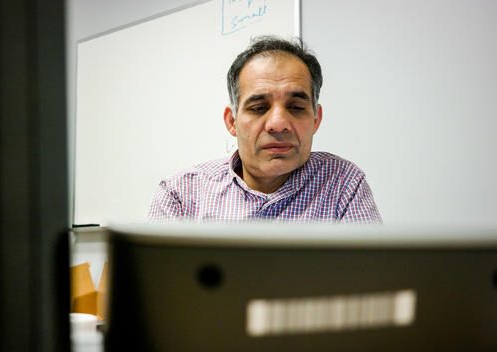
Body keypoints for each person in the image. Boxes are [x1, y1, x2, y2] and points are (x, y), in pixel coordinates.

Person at [148, 36, 381, 223]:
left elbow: (377, 279)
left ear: (316, 119)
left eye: (296, 107)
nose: (278, 124)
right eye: (259, 108)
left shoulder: (343, 184)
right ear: (232, 121)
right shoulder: (181, 195)